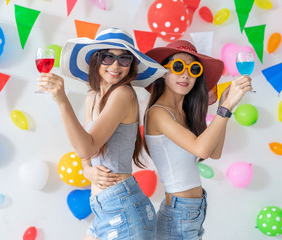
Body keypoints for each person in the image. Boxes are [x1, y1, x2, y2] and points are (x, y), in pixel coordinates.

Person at [37, 28, 166, 240]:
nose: (115, 66)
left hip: (122, 208)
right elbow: (86, 152)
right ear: (96, 61)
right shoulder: (93, 97)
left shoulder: (123, 94)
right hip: (102, 208)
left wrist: (61, 100)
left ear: (131, 65)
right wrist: (87, 170)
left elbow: (86, 146)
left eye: (124, 60)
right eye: (108, 57)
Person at [143, 40, 252, 240]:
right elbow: (200, 149)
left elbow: (214, 152)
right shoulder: (158, 113)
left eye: (194, 69)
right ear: (163, 72)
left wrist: (225, 108)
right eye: (178, 67)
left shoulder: (183, 113)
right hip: (178, 215)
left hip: (194, 211)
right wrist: (225, 107)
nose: (186, 74)